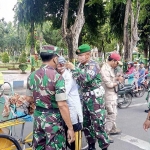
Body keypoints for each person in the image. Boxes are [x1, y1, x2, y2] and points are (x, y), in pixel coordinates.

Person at [26, 45, 75, 149]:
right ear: (55, 58)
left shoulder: (31, 76)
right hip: (53, 121)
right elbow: (62, 105)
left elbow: (29, 98)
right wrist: (70, 128)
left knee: (39, 147)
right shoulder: (57, 77)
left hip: (38, 118)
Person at [66, 44, 109, 150]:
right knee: (86, 124)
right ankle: (91, 145)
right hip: (84, 99)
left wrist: (73, 68)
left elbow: (85, 78)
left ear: (88, 55)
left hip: (95, 99)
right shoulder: (80, 66)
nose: (79, 58)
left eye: (81, 55)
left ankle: (104, 147)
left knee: (98, 124)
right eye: (78, 56)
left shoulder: (93, 65)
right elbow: (76, 80)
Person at [57, 56, 83, 150]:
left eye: (61, 64)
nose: (59, 66)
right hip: (65, 111)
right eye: (58, 64)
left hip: (73, 111)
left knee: (75, 141)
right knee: (66, 134)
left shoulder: (68, 76)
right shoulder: (59, 75)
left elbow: (63, 94)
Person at [101, 52, 123, 142]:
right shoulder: (104, 69)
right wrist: (119, 82)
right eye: (117, 62)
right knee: (111, 115)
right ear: (113, 61)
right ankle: (105, 134)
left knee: (114, 113)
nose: (117, 65)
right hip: (108, 96)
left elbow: (111, 79)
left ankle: (113, 129)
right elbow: (109, 84)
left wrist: (116, 78)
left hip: (112, 95)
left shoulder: (110, 68)